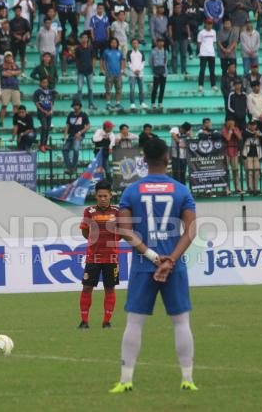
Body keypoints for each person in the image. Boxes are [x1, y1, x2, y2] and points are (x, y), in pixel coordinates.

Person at [109, 137, 198, 393]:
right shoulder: (181, 190)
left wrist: (152, 257)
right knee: (181, 323)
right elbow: (190, 231)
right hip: (175, 266)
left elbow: (125, 232)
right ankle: (187, 379)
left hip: (143, 265)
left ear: (144, 160)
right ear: (167, 158)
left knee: (134, 323)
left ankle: (125, 381)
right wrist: (170, 260)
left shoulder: (132, 191)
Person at [77, 180, 120, 329]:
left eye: (105, 196)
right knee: (87, 288)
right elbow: (84, 230)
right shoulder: (89, 211)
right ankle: (84, 321)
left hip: (111, 257)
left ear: (111, 196)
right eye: (100, 196)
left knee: (110, 288)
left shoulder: (117, 211)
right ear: (96, 196)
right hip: (93, 257)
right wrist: (93, 241)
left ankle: (106, 321)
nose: (103, 198)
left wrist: (112, 242)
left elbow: (121, 232)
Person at [63, 99, 90, 174]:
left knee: (76, 149)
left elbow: (88, 126)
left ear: (80, 106)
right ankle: (71, 168)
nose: (75, 107)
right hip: (70, 136)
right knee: (64, 150)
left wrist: (80, 133)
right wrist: (65, 135)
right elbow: (67, 125)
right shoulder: (70, 114)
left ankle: (72, 168)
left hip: (79, 136)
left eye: (77, 105)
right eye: (74, 105)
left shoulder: (84, 115)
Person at [0, 52, 22, 127]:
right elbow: (4, 74)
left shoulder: (15, 65)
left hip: (15, 87)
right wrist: (13, 73)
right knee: (4, 105)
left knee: (16, 106)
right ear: (5, 58)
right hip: (5, 87)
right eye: (7, 57)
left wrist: (11, 72)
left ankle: (15, 122)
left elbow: (19, 72)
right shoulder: (1, 65)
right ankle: (1, 121)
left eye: (10, 57)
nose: (9, 58)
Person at [33, 77, 56, 152]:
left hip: (49, 112)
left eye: (46, 82)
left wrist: (51, 110)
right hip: (41, 113)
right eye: (43, 82)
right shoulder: (37, 92)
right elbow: (37, 103)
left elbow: (51, 102)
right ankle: (42, 144)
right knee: (44, 127)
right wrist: (43, 111)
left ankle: (45, 144)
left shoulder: (50, 91)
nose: (45, 84)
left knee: (48, 128)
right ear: (40, 83)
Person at [101, 38, 124, 111]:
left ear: (117, 44)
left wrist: (122, 70)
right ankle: (108, 104)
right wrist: (103, 70)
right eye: (112, 42)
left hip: (118, 74)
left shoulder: (119, 52)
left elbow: (122, 61)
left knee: (118, 89)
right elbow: (103, 61)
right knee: (108, 90)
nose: (113, 44)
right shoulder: (106, 51)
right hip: (109, 74)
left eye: (115, 43)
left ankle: (117, 103)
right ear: (110, 43)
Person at [197, 18, 217, 92]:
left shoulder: (214, 32)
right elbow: (199, 43)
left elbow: (214, 42)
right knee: (202, 70)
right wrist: (200, 52)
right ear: (205, 24)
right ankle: (200, 85)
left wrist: (213, 51)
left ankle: (213, 85)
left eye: (210, 23)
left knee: (212, 70)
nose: (209, 25)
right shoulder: (201, 32)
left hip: (211, 54)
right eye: (208, 23)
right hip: (203, 54)